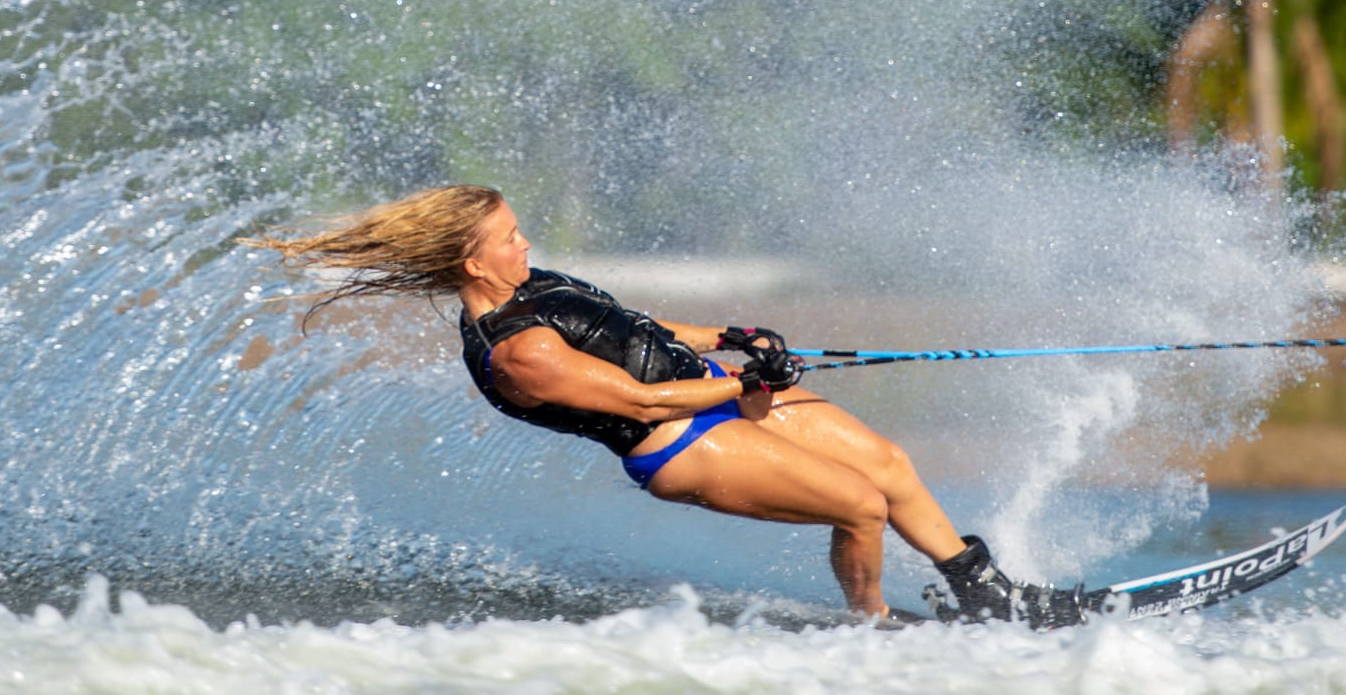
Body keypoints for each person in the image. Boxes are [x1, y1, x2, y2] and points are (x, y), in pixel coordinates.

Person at [247, 184, 1087, 625]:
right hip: (684, 448)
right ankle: (873, 624)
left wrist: (733, 334)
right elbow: (641, 399)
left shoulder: (541, 287)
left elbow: (635, 329)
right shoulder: (518, 353)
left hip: (717, 396)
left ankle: (988, 593)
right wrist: (745, 385)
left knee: (889, 466)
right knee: (860, 507)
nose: (524, 242)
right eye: (507, 237)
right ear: (472, 263)